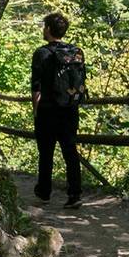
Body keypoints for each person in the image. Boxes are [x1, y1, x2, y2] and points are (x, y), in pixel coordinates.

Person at [31, 12, 86, 209]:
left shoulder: (42, 53)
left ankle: (44, 192)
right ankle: (75, 194)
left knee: (46, 152)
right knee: (70, 151)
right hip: (70, 108)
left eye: (44, 25)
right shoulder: (76, 52)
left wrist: (36, 110)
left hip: (48, 109)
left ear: (48, 29)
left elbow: (36, 87)